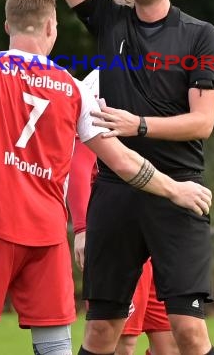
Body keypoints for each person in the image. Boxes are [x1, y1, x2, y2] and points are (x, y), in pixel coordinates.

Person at [12, 0, 214, 355]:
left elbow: (202, 123)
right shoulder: (110, 19)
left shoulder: (201, 36)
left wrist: (139, 125)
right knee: (102, 332)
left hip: (179, 190)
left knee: (190, 332)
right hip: (116, 193)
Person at [0, 0, 212, 355]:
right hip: (50, 235)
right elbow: (120, 160)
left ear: (7, 26)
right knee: (54, 346)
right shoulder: (73, 88)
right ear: (52, 28)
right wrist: (176, 188)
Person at [68, 69, 179, 355]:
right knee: (121, 339)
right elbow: (80, 163)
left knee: (172, 341)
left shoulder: (168, 75)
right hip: (121, 227)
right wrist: (81, 229)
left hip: (159, 230)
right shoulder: (102, 80)